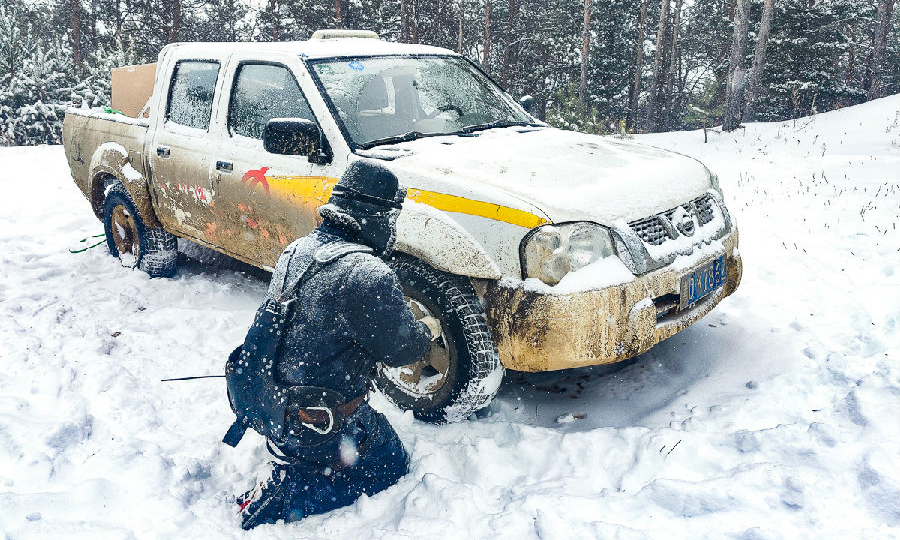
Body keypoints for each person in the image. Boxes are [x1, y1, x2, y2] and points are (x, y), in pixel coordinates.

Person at [234, 160, 440, 529]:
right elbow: (403, 351)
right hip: (321, 422)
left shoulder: (298, 249)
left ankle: (296, 455)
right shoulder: (366, 274)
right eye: (392, 218)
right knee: (391, 462)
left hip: (276, 405)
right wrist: (425, 328)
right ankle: (292, 492)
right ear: (378, 217)